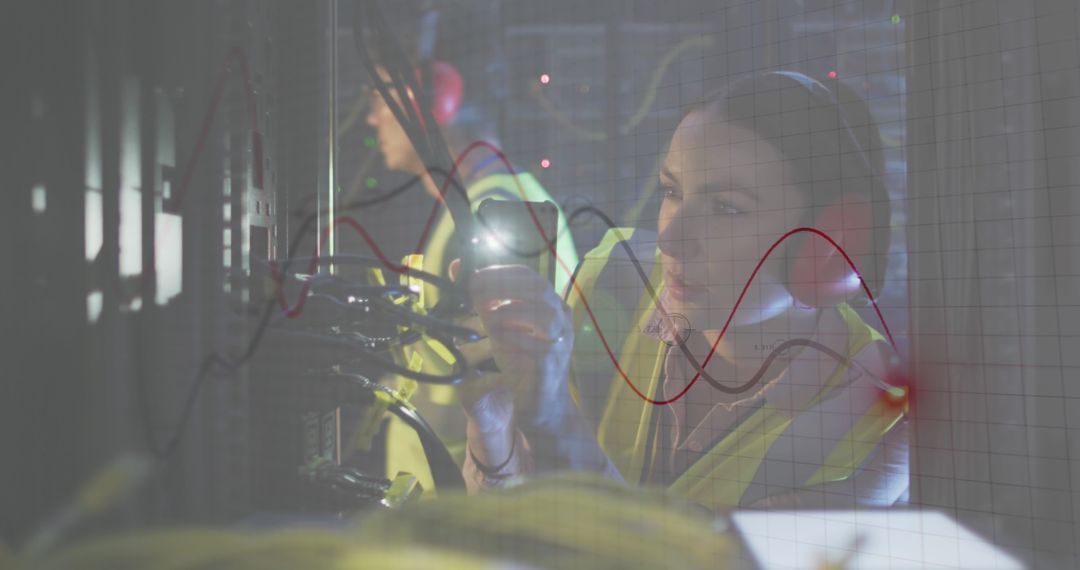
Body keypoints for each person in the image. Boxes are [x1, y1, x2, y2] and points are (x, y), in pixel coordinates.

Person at [457, 71, 909, 511]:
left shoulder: (873, 418)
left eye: (726, 209)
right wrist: (495, 429)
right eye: (671, 191)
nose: (670, 240)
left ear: (829, 245)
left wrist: (554, 416)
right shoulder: (613, 284)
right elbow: (528, 523)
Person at [361, 3, 578, 491]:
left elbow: (516, 399)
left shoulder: (494, 214)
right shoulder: (483, 207)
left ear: (434, 99)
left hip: (464, 506)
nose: (374, 117)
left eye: (380, 94)